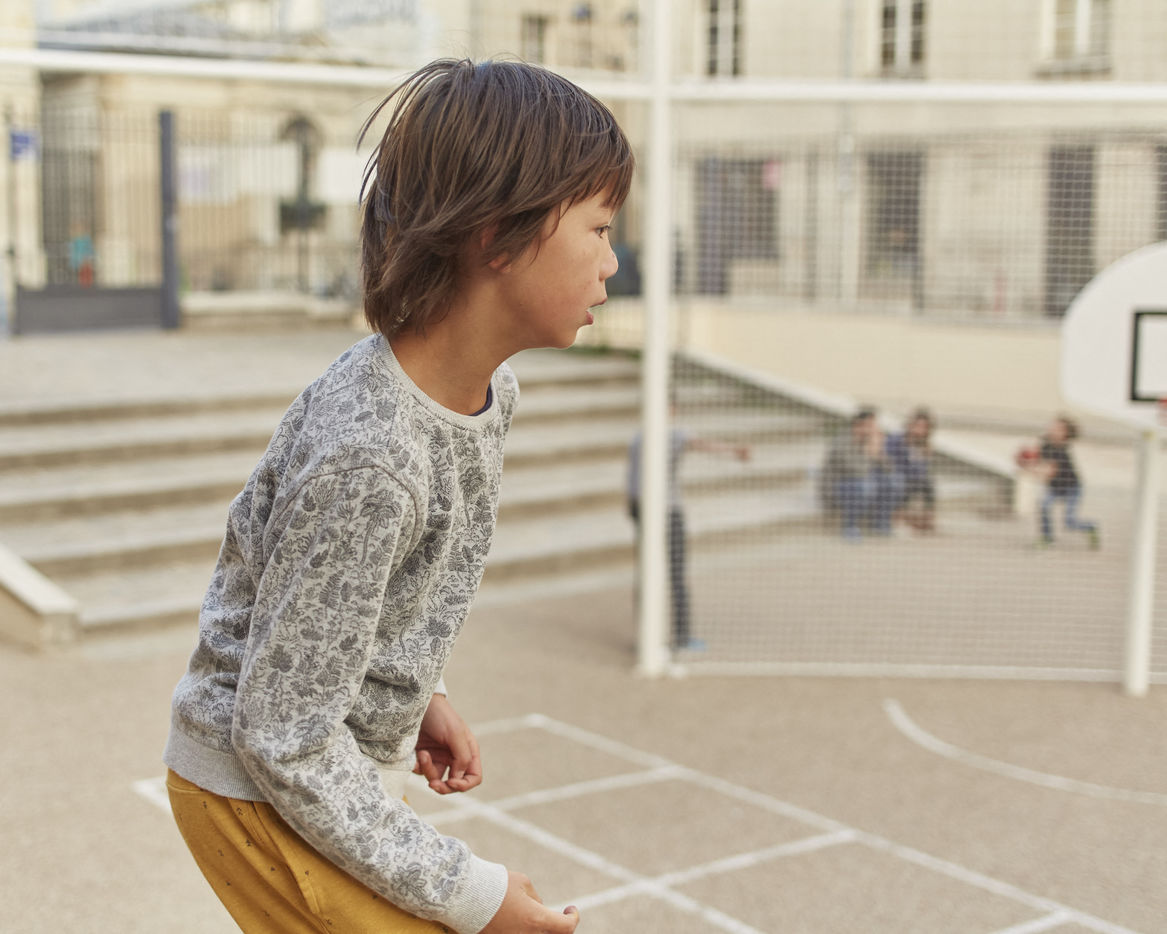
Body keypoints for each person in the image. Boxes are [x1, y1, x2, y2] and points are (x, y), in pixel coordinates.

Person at [162, 58, 633, 934]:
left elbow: (360, 599)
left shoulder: (485, 396)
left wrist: (420, 690)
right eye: (598, 228)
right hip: (257, 786)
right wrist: (476, 896)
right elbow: (283, 736)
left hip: (304, 758)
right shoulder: (371, 457)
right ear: (497, 236)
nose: (613, 260)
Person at [626, 417, 749, 651]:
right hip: (668, 511)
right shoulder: (674, 433)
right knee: (677, 573)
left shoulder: (638, 437)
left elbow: (631, 481)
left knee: (646, 573)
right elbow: (701, 444)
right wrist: (733, 450)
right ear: (672, 408)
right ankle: (681, 636)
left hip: (643, 509)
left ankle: (644, 638)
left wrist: (633, 509)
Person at [1018, 414, 1100, 549]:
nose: (1052, 429)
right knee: (1044, 505)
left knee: (1069, 522)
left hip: (1072, 488)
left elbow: (1049, 472)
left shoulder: (1061, 451)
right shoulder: (1045, 443)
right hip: (1055, 488)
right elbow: (1037, 457)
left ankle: (1091, 527)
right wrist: (1027, 460)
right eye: (1052, 426)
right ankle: (1047, 538)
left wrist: (1028, 470)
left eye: (1057, 428)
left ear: (1065, 434)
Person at [820, 407, 897, 539]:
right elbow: (856, 471)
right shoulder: (843, 441)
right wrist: (870, 453)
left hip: (863, 484)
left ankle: (880, 523)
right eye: (870, 425)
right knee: (864, 485)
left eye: (874, 425)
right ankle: (849, 526)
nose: (873, 429)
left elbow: (890, 469)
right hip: (838, 488)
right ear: (858, 425)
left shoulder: (871, 441)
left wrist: (880, 454)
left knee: (893, 482)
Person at [885, 407, 936, 532]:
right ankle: (898, 521)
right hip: (894, 476)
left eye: (924, 427)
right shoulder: (897, 440)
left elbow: (921, 471)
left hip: (912, 478)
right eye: (917, 426)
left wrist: (924, 456)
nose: (919, 430)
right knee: (901, 483)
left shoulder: (923, 446)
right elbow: (891, 462)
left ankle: (926, 521)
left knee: (928, 484)